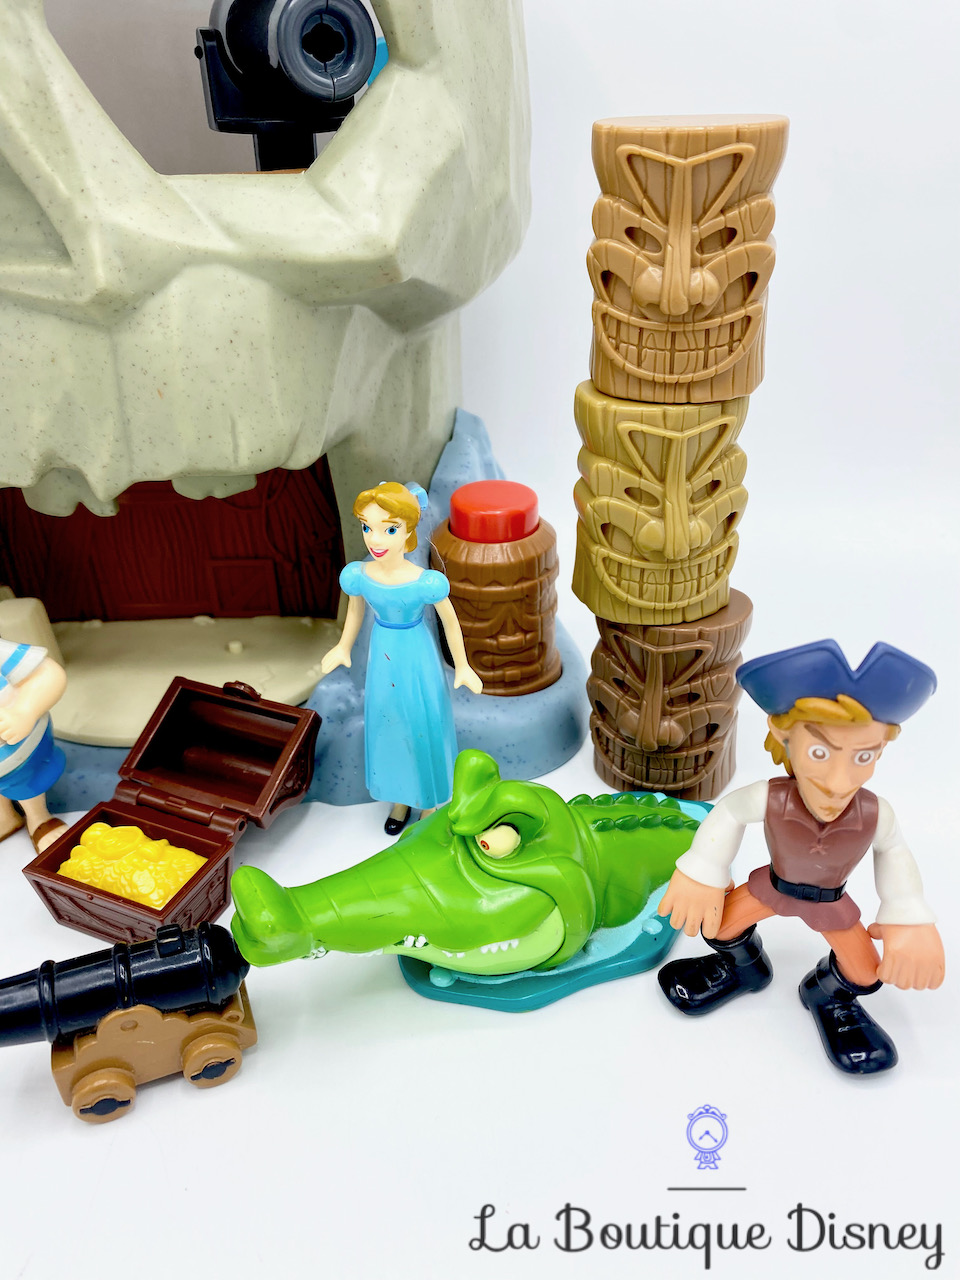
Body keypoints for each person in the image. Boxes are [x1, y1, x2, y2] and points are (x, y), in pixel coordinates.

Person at [656, 639, 943, 1074]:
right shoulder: (770, 797)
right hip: (771, 887)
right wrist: (703, 870)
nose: (838, 781)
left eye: (864, 755)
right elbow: (729, 812)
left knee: (866, 972)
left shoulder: (876, 813)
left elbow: (894, 851)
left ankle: (827, 995)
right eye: (820, 752)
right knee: (718, 923)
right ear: (782, 735)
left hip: (832, 904)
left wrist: (908, 917)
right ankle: (743, 969)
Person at [321, 481, 483, 834]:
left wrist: (463, 666)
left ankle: (427, 802)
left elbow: (451, 623)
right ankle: (399, 798)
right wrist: (343, 647)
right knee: (388, 723)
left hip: (415, 656)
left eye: (389, 529)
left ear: (408, 530)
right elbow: (355, 613)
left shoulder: (424, 582)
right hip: (383, 655)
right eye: (367, 527)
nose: (375, 539)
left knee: (419, 723)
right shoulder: (360, 575)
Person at [0, 639, 68, 852]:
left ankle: (38, 817)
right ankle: (5, 817)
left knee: (25, 781)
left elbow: (47, 673)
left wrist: (25, 711)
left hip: (16, 749)